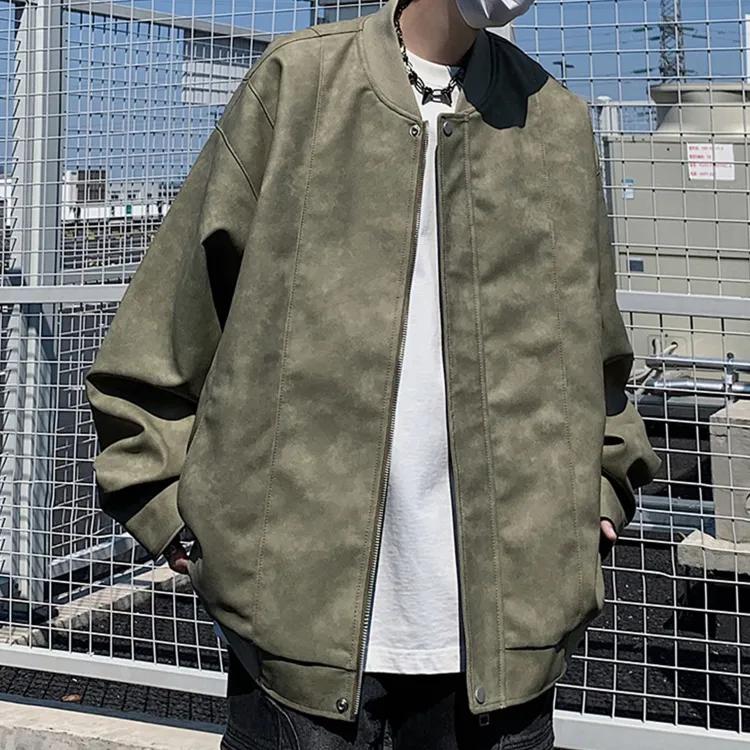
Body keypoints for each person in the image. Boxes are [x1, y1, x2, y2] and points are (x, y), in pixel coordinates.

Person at [85, 0, 661, 747]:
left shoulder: (556, 122)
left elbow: (596, 353)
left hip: (511, 639)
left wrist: (605, 488)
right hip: (291, 630)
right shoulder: (298, 84)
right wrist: (172, 515)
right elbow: (168, 322)